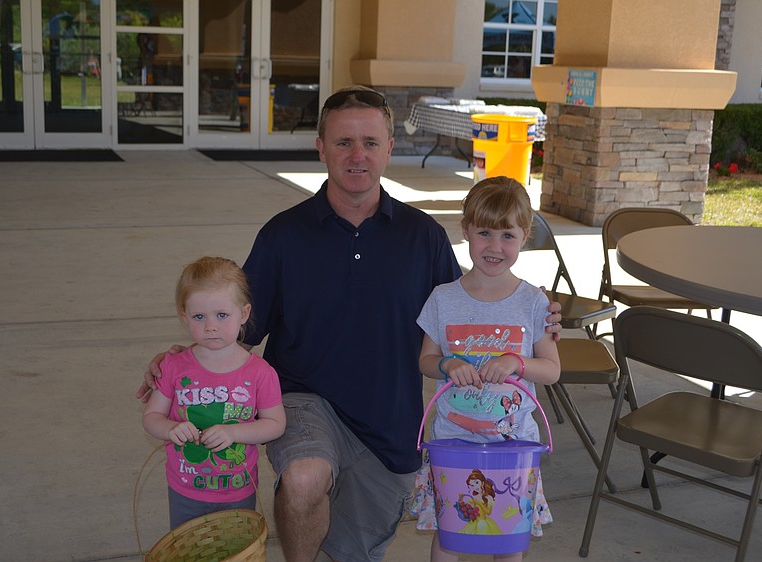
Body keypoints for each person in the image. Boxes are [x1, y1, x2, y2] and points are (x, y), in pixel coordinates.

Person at [137, 86, 562, 562]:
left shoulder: (421, 237)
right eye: (343, 143)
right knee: (304, 477)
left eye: (370, 143)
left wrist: (536, 316)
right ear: (321, 148)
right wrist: (180, 359)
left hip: (388, 427)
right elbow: (235, 324)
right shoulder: (283, 234)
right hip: (303, 401)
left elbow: (470, 310)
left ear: (389, 149)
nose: (357, 155)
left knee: (347, 554)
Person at [411, 176, 561, 562]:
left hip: (513, 448)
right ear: (466, 231)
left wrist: (518, 362)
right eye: (484, 233)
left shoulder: (533, 302)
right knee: (450, 536)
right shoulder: (443, 298)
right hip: (452, 443)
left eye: (507, 235)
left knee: (508, 538)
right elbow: (425, 361)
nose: (495, 247)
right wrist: (448, 362)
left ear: (525, 236)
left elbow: (551, 370)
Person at [142, 256, 285, 529]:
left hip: (238, 491)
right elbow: (151, 416)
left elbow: (275, 424)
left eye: (222, 315)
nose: (210, 326)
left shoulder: (260, 372)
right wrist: (171, 428)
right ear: (184, 317)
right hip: (185, 490)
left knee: (235, 552)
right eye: (199, 316)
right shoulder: (173, 366)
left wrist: (234, 432)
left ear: (243, 313)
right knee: (189, 551)